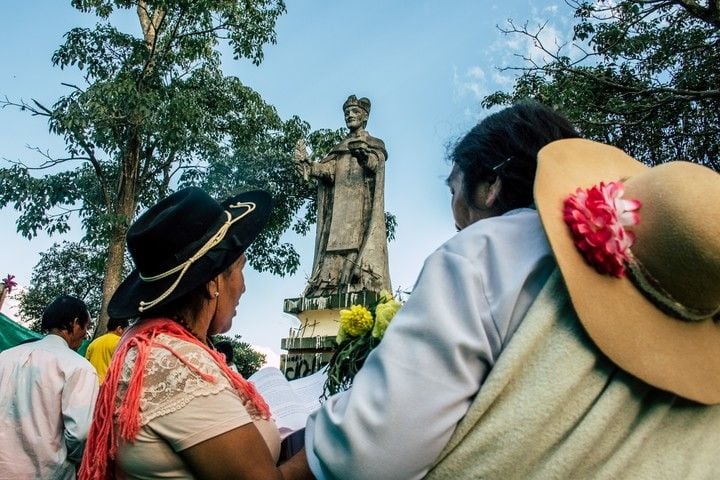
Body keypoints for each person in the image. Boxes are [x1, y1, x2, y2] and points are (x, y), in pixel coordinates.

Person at [295, 101, 720, 478]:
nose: (454, 212)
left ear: (489, 186)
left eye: (455, 189)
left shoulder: (485, 253)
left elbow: (364, 458)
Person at [79, 187, 311, 480]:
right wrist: (332, 442)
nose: (243, 287)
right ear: (214, 281)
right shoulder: (178, 368)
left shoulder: (154, 346)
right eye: (241, 269)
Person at [294, 95, 391, 297]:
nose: (350, 115)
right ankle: (326, 287)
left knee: (358, 257)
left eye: (355, 112)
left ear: (364, 117)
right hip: (337, 220)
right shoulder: (339, 149)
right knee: (332, 256)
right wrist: (309, 166)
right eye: (347, 112)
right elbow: (328, 171)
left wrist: (363, 156)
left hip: (360, 219)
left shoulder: (373, 144)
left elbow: (375, 165)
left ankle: (359, 282)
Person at [0, 295, 98, 479]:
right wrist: (69, 458)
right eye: (86, 326)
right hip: (47, 472)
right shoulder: (79, 368)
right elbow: (81, 433)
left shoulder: (5, 357)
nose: (86, 333)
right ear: (75, 323)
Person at [85, 316, 129, 383]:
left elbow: (87, 362)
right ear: (119, 329)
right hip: (107, 386)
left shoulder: (94, 342)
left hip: (91, 383)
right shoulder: (120, 342)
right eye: (126, 329)